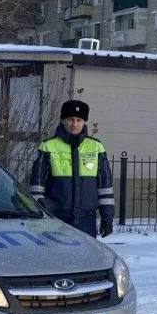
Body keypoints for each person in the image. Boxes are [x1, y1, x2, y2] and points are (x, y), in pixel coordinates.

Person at [29, 99, 114, 239]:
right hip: (56, 218)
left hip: (86, 220)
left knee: (86, 254)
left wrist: (107, 217)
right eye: (70, 119)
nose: (74, 124)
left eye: (79, 120)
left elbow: (105, 186)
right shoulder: (48, 146)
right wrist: (40, 215)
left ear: (84, 122)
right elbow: (37, 186)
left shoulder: (96, 147)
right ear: (63, 120)